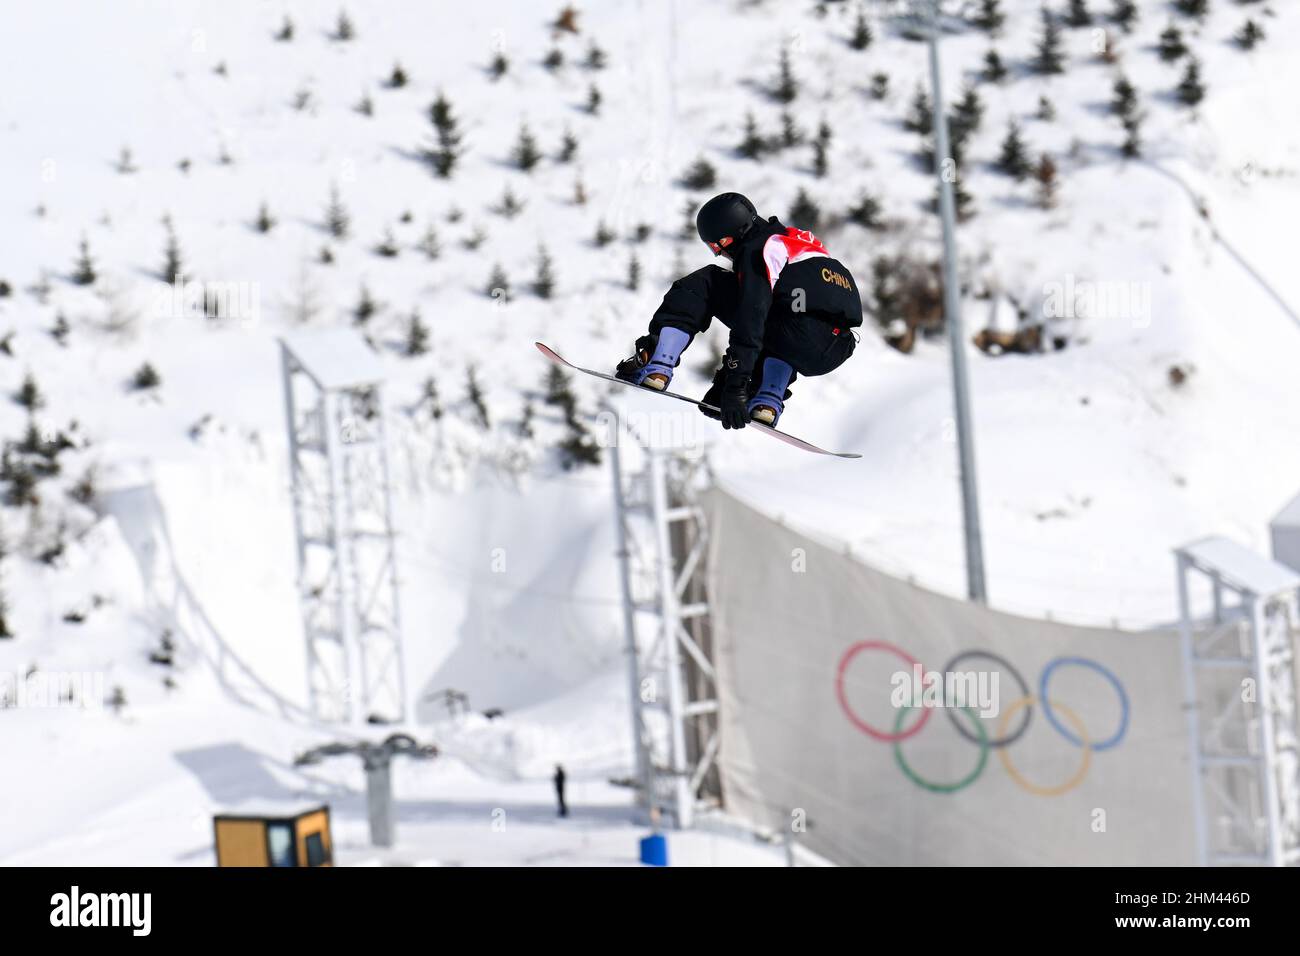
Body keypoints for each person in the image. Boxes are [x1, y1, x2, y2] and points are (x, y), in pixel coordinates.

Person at [616, 192, 861, 429]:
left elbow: (752, 317)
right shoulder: (799, 243)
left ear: (733, 234)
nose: (720, 253)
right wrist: (731, 382)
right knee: (783, 318)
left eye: (717, 245)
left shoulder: (759, 248)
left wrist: (736, 384)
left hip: (798, 331)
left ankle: (657, 363)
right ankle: (767, 398)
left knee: (705, 283)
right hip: (836, 348)